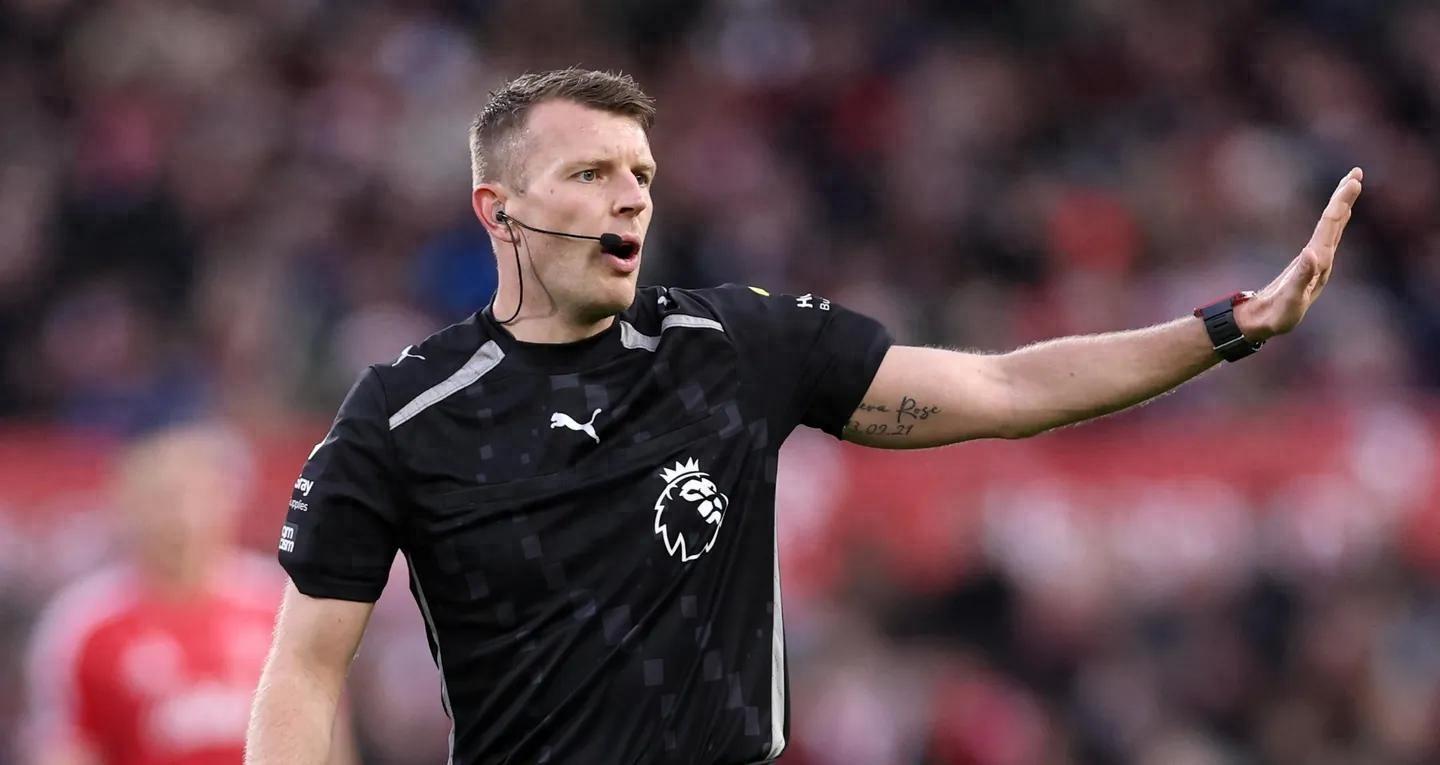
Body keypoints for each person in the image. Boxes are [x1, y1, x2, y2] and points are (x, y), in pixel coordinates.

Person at [245, 67, 1363, 764]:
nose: (631, 194)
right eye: (589, 173)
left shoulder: (733, 347)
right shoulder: (406, 413)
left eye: (641, 172)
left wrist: (1229, 326)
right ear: (499, 212)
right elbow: (304, 668)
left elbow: (1010, 389)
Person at [23, 423, 358, 765]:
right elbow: (66, 748)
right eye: (164, 500)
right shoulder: (86, 627)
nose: (184, 518)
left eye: (200, 496)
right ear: (128, 506)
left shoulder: (282, 606)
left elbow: (326, 732)